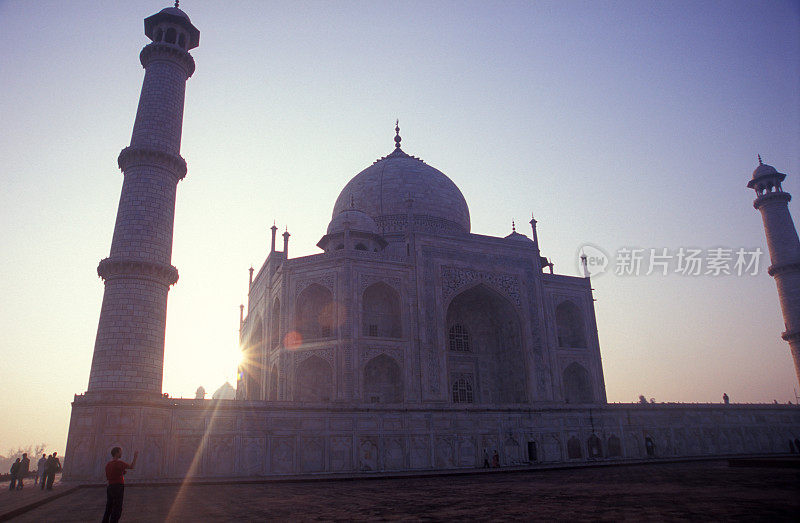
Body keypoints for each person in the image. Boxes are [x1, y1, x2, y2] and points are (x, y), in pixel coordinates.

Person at [102, 446, 138, 523]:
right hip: (118, 487)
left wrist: (120, 473)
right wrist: (135, 457)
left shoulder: (108, 464)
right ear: (117, 453)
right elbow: (132, 466)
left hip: (110, 487)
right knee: (117, 508)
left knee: (109, 507)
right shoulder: (119, 463)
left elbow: (109, 475)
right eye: (120, 451)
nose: (121, 453)